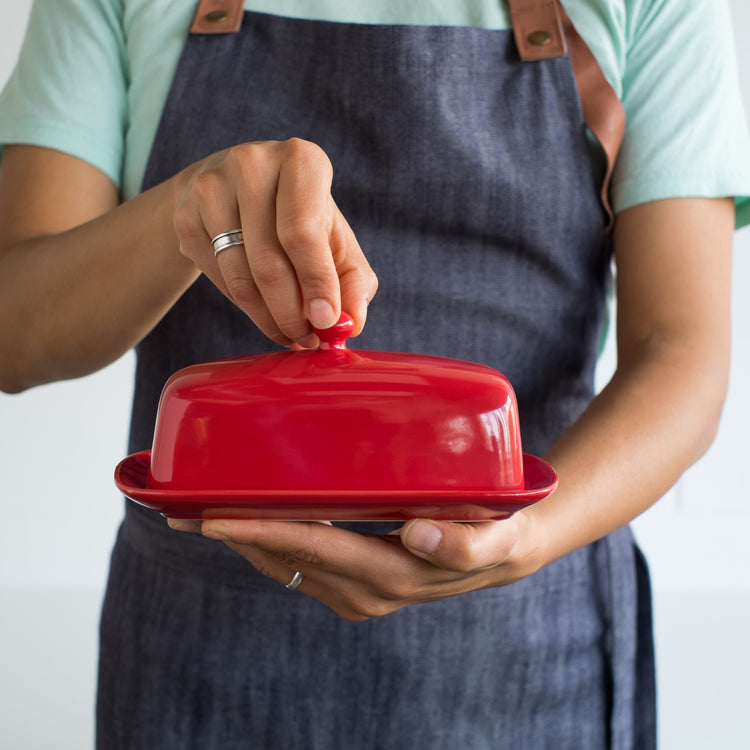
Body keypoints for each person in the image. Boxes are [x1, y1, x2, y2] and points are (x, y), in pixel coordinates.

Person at [1, 0, 748, 747]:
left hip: (528, 642)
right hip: (195, 647)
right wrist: (183, 211)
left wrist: (529, 535)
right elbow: (15, 335)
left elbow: (679, 349)